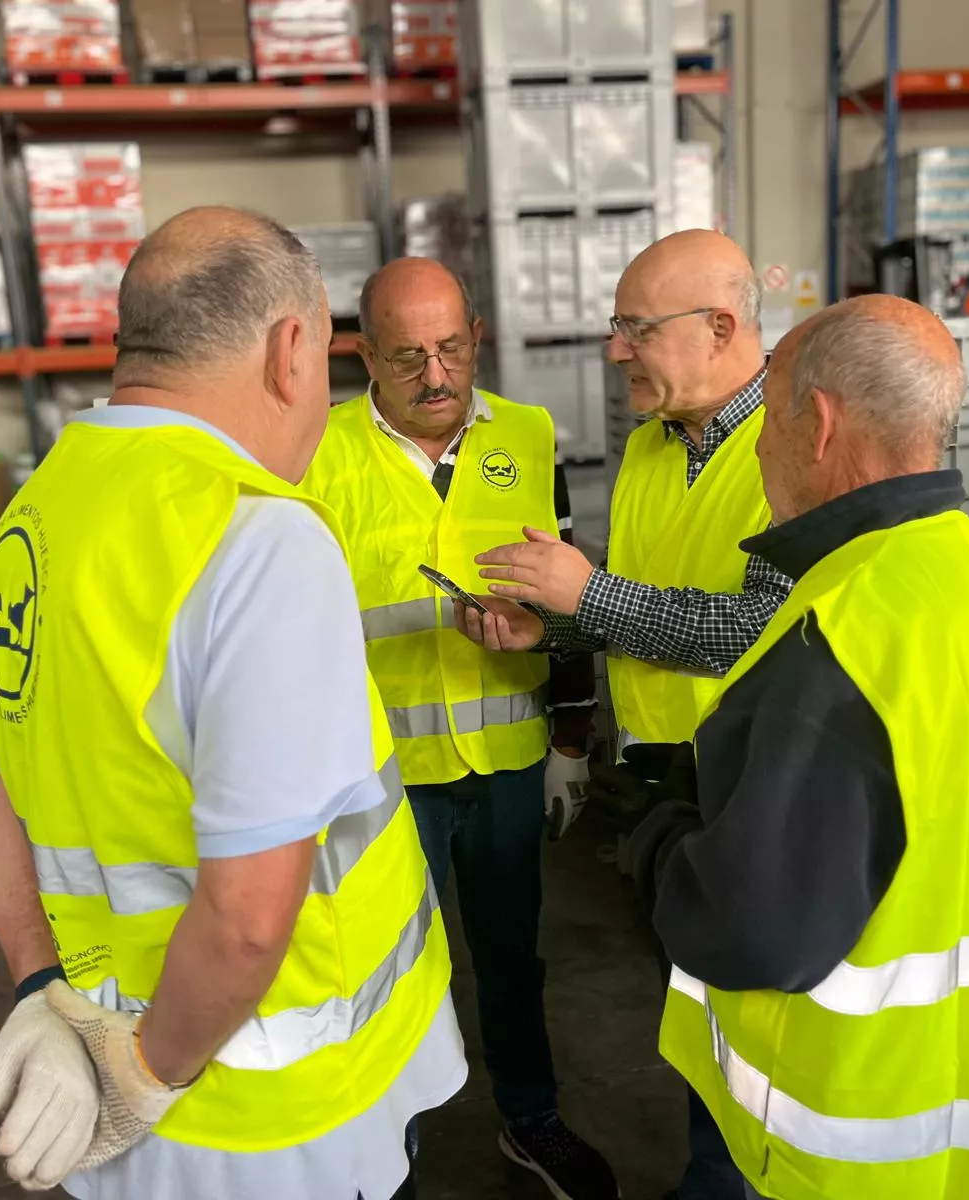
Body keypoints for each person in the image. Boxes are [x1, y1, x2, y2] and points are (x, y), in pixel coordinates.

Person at [0, 207, 465, 1200]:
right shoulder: (252, 540)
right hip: (282, 1121)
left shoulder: (32, 521)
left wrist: (39, 993)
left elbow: (7, 806)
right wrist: (145, 1078)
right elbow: (245, 921)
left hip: (115, 1096)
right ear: (291, 352)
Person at [630, 295, 969, 1200]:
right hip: (966, 1111)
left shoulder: (839, 635)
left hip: (832, 1140)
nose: (758, 448)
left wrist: (655, 840)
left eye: (767, 419)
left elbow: (750, 930)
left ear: (822, 423)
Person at [303, 257, 616, 1200]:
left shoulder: (525, 433)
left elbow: (562, 591)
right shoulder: (316, 452)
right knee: (391, 977)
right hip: (379, 778)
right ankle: (386, 1152)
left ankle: (530, 1119)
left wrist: (568, 735)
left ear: (476, 336)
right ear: (362, 357)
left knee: (513, 957)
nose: (436, 376)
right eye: (407, 359)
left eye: (450, 349)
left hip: (505, 760)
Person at [458, 230, 792, 783]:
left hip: (753, 782)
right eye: (618, 329)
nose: (616, 352)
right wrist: (546, 628)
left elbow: (766, 629)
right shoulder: (647, 445)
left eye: (639, 330)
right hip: (651, 777)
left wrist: (590, 593)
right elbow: (630, 608)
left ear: (719, 329)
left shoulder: (799, 441)